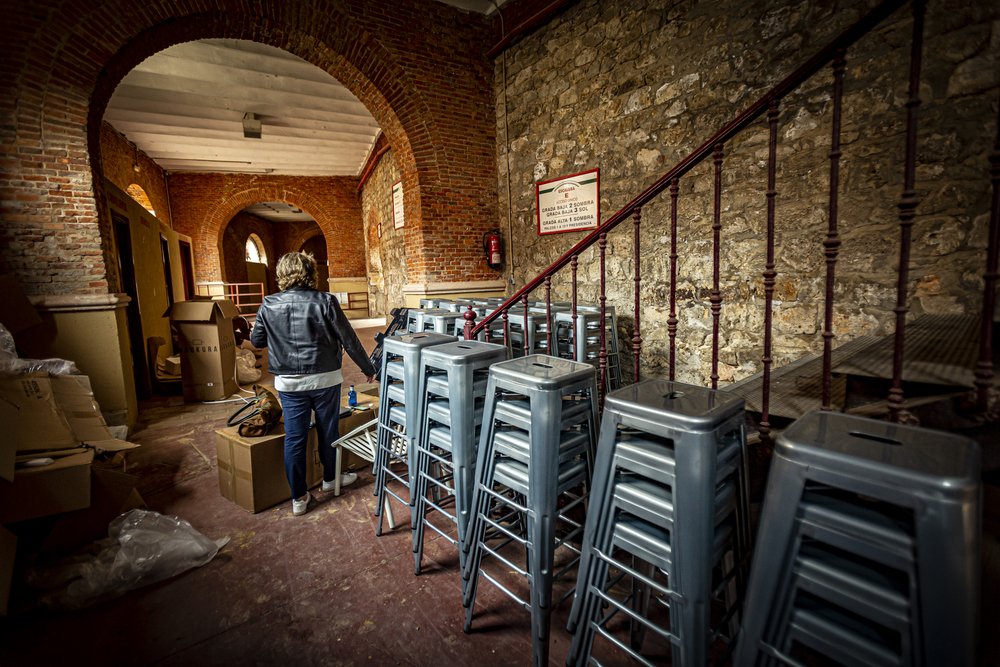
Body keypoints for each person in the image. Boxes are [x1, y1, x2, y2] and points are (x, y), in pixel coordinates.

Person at [250, 252, 377, 516]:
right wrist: (369, 369)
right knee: (328, 430)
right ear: (310, 273)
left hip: (289, 383)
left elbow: (258, 341)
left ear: (282, 275)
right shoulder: (326, 301)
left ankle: (299, 498)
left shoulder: (268, 304)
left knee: (294, 439)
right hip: (324, 378)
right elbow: (350, 339)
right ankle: (331, 480)